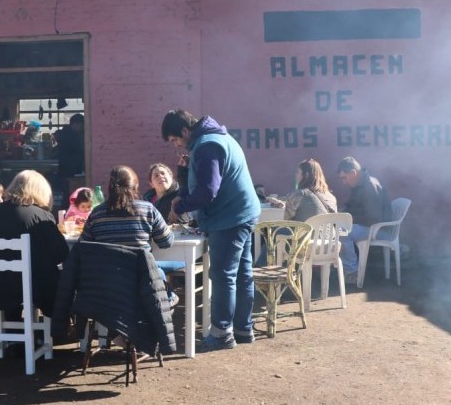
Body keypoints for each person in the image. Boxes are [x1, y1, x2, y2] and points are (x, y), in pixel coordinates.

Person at [162, 109, 260, 350]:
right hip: (244, 212)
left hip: (228, 217)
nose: (177, 146)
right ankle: (243, 329)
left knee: (223, 275)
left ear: (185, 130)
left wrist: (181, 206)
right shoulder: (219, 137)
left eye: (176, 140)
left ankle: (221, 333)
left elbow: (207, 192)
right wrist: (185, 174)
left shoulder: (206, 146)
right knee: (242, 273)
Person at [78, 165, 178, 305]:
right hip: (143, 281)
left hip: (107, 283)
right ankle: (167, 301)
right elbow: (166, 242)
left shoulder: (97, 213)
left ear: (111, 187)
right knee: (164, 282)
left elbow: (84, 245)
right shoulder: (148, 209)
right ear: (135, 187)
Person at [0, 170, 68, 317]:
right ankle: (57, 327)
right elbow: (61, 253)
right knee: (57, 279)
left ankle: (12, 329)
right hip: (30, 288)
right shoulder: (41, 215)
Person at [336, 156, 392, 284]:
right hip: (369, 226)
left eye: (344, 178)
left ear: (353, 173)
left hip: (379, 229)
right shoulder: (359, 184)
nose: (344, 182)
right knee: (339, 228)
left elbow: (373, 218)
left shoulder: (369, 186)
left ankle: (352, 273)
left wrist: (348, 219)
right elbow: (353, 207)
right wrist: (342, 212)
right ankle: (347, 269)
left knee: (342, 232)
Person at [267, 158, 338, 221]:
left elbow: (287, 221)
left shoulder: (299, 194)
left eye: (297, 172)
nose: (295, 175)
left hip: (307, 235)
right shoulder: (331, 196)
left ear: (306, 175)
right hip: (329, 235)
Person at [55, 113, 85, 198]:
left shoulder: (65, 134)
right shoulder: (71, 136)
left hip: (66, 171)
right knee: (71, 196)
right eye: (82, 125)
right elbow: (78, 151)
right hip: (71, 172)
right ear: (76, 124)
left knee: (67, 195)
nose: (83, 128)